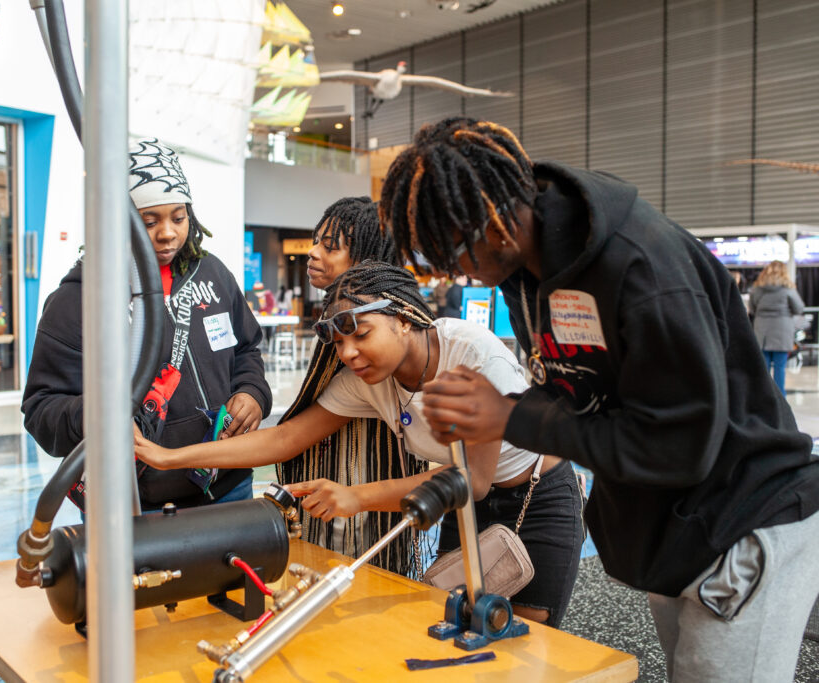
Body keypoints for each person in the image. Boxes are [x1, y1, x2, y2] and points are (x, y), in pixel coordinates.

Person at [379, 117, 819, 681]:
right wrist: (491, 410)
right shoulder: (528, 274)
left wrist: (510, 416)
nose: (453, 273)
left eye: (452, 253)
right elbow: (579, 392)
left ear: (494, 224)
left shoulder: (644, 270)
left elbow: (679, 444)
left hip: (746, 519)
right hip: (677, 530)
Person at [136, 261, 585, 626]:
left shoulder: (472, 357)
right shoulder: (368, 380)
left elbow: (474, 479)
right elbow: (286, 438)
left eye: (362, 334)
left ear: (405, 318)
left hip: (537, 501)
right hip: (463, 511)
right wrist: (170, 458)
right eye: (340, 342)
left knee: (527, 648)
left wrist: (356, 497)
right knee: (459, 629)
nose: (349, 353)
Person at [22, 139, 271, 511]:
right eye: (148, 221)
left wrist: (252, 392)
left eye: (178, 216)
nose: (167, 233)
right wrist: (96, 417)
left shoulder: (214, 274)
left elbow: (246, 349)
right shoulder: (79, 301)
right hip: (133, 503)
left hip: (228, 486)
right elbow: (41, 409)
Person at [285, 196, 427, 574]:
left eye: (330, 246)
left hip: (372, 497)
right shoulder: (339, 322)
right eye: (315, 241)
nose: (312, 253)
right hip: (331, 498)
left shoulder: (402, 341)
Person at [748, 260, 804, 396]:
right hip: (782, 330)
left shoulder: (757, 289)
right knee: (780, 368)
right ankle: (780, 399)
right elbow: (799, 308)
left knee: (763, 368)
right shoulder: (788, 289)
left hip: (762, 331)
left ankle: (764, 397)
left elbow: (752, 308)